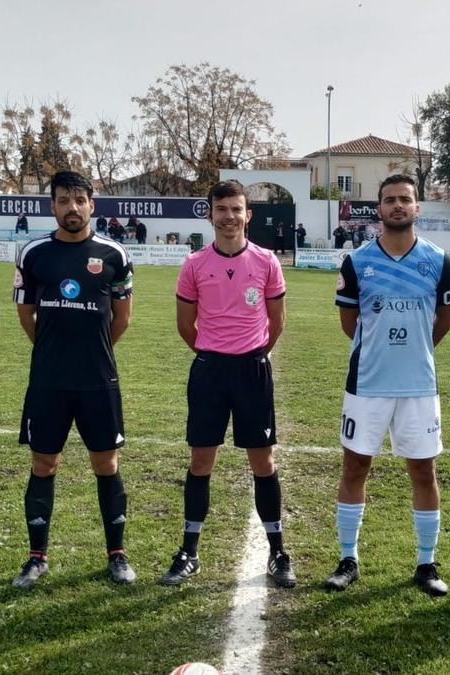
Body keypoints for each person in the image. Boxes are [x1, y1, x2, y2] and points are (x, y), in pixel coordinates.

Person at [323, 175, 450, 597]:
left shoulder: (438, 261)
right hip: (367, 383)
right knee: (355, 467)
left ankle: (426, 563)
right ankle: (348, 558)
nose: (397, 206)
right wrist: (381, 350)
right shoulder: (357, 262)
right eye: (389, 200)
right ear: (378, 209)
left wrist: (414, 351)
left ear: (418, 208)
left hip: (419, 384)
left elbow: (444, 322)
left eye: (405, 199)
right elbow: (349, 324)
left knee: (423, 470)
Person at [160, 180, 294, 588]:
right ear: (210, 214)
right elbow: (186, 326)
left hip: (252, 371)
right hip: (209, 372)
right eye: (222, 209)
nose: (229, 216)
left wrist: (252, 353)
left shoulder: (267, 261)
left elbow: (277, 323)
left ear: (247, 214)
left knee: (263, 462)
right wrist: (213, 351)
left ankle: (277, 552)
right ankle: (189, 551)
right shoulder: (195, 264)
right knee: (202, 461)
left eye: (237, 209)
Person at [11, 171, 136, 588]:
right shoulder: (33, 254)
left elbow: (122, 319)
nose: (72, 207)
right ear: (52, 206)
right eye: (64, 200)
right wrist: (52, 349)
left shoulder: (114, 254)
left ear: (91, 205)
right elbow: (25, 314)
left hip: (98, 378)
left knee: (106, 462)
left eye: (79, 199)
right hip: (48, 379)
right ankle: (36, 557)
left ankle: (117, 554)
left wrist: (92, 348)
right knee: (44, 463)